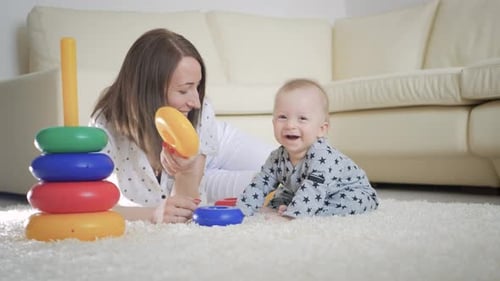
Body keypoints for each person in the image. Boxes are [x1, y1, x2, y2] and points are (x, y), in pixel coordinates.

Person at [90, 28, 272, 224]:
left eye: (198, 86)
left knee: (291, 171)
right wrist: (153, 215)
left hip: (214, 148)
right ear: (149, 92)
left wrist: (189, 168)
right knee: (276, 182)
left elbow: (186, 193)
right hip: (204, 181)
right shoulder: (104, 127)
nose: (196, 102)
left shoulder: (200, 111)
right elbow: (95, 208)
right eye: (184, 90)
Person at [236, 78, 379, 218]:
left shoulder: (322, 156)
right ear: (273, 123)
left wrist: (290, 216)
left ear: (321, 129)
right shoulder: (276, 157)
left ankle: (301, 211)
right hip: (301, 190)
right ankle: (294, 207)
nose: (290, 125)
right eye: (282, 117)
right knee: (281, 196)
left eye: (302, 118)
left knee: (352, 203)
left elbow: (313, 189)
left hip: (347, 191)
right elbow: (261, 182)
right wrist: (243, 208)